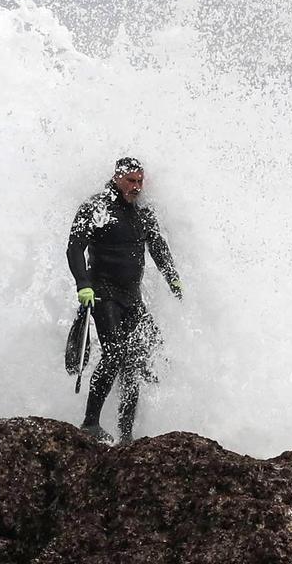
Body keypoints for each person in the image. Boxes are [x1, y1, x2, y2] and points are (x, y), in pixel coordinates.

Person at [67, 157, 183, 444]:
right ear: (117, 178)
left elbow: (157, 246)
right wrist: (83, 284)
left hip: (132, 298)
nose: (136, 186)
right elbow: (74, 248)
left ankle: (126, 435)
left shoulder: (142, 213)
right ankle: (90, 423)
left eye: (140, 181)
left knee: (134, 361)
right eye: (131, 181)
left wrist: (173, 278)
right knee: (115, 353)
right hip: (103, 293)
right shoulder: (97, 207)